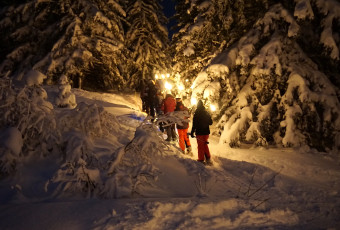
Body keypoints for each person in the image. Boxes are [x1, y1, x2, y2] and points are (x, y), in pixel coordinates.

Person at [190, 100, 213, 165]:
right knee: (205, 144)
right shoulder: (206, 113)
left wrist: (192, 132)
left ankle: (201, 159)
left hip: (199, 132)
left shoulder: (196, 114)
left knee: (200, 146)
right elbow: (211, 122)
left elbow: (194, 124)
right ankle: (208, 157)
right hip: (206, 132)